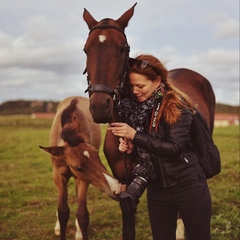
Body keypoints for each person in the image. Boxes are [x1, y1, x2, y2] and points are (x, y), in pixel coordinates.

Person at [108, 54, 212, 240]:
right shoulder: (139, 110)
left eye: (140, 86)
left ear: (157, 81)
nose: (135, 91)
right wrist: (132, 149)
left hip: (188, 187)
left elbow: (174, 148)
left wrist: (135, 135)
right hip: (157, 191)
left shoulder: (176, 106)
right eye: (132, 86)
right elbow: (149, 154)